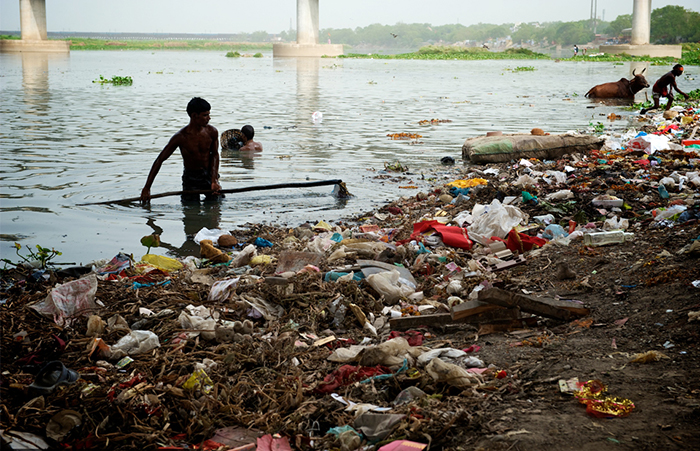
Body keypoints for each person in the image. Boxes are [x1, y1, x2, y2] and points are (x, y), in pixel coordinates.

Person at [141, 97, 221, 203]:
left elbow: (215, 155)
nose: (209, 118)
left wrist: (214, 179)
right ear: (194, 116)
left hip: (208, 175)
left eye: (209, 114)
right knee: (191, 210)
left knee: (216, 204)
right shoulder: (181, 137)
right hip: (191, 178)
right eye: (205, 115)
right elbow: (160, 160)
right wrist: (147, 188)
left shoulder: (212, 132)